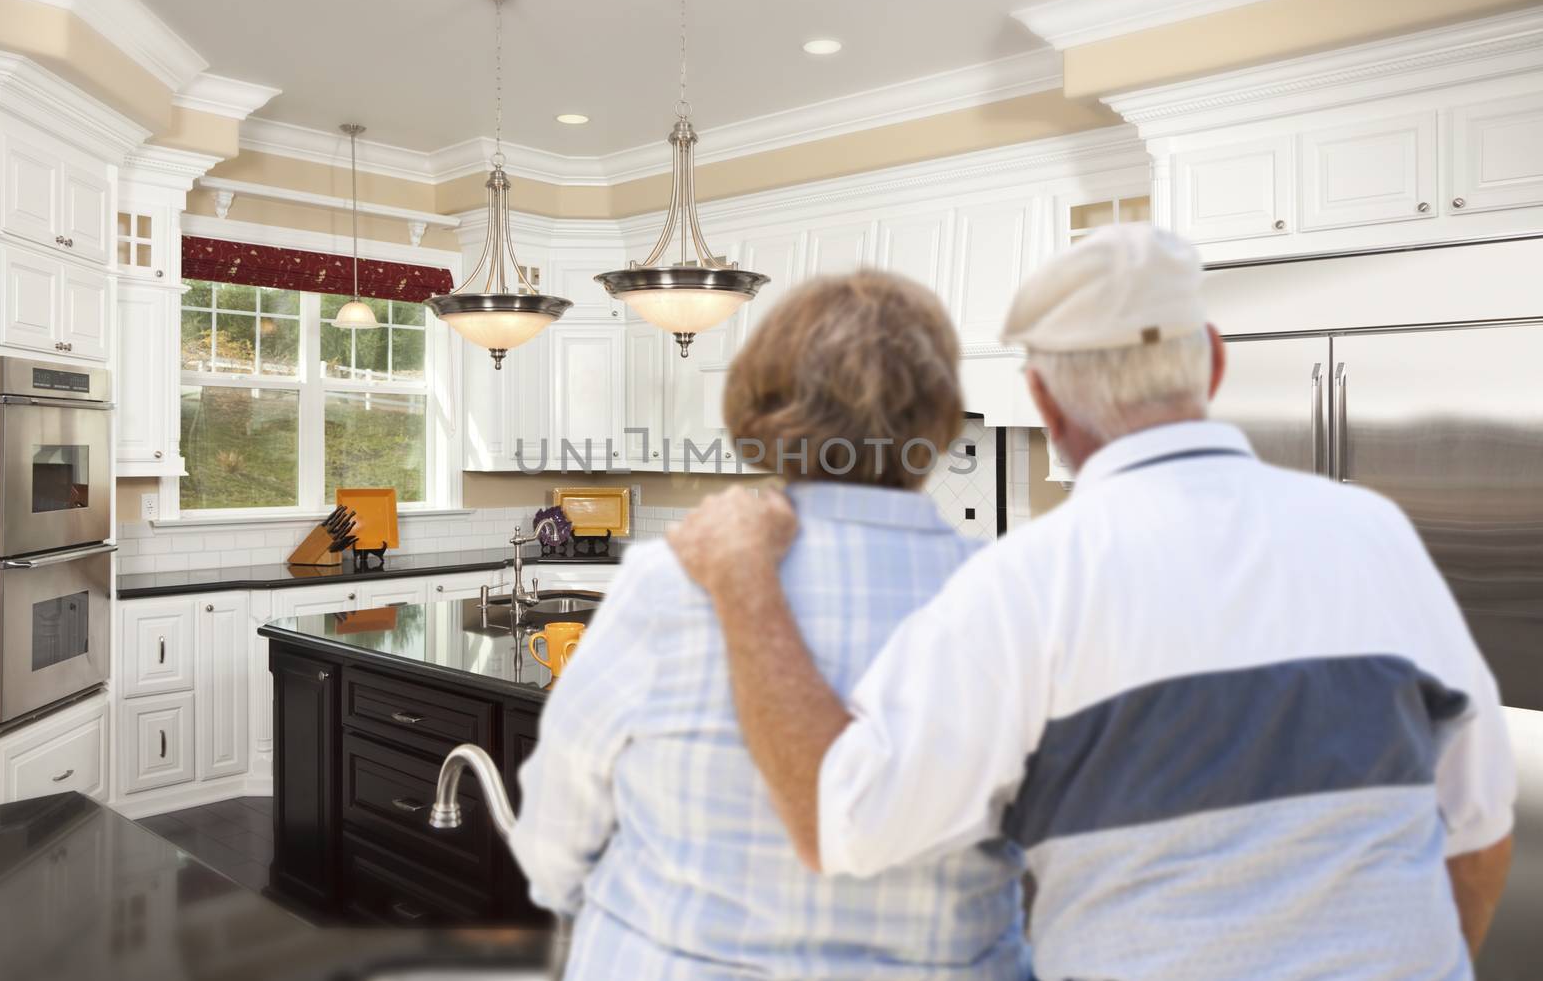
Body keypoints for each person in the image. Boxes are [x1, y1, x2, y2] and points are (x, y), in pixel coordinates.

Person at [666, 224, 1518, 981]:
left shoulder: (1024, 584)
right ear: (1214, 360)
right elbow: (1477, 834)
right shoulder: (1377, 534)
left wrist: (744, 580)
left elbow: (840, 819)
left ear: (1041, 398)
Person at [510, 273, 1031, 980]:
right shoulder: (1014, 600)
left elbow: (558, 822)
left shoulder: (668, 581)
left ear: (759, 404)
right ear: (939, 413)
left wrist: (594, 908)